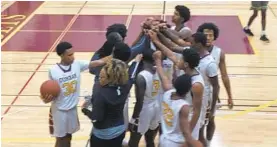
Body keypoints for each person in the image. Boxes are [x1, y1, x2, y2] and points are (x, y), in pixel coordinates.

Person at [43, 41, 111, 147]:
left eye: (73, 54)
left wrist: (116, 54)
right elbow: (50, 91)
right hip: (59, 110)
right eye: (69, 55)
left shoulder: (77, 65)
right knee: (61, 139)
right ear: (61, 55)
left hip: (72, 109)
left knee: (68, 137)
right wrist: (46, 99)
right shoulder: (53, 70)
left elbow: (98, 62)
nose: (73, 57)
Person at [149, 30, 204, 140]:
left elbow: (197, 112)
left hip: (188, 123)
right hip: (179, 116)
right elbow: (170, 54)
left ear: (186, 64)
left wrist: (188, 134)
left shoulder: (196, 85)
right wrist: (155, 40)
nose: (178, 59)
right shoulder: (186, 69)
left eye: (181, 59)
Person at [81, 57, 142, 147]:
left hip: (102, 136)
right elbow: (131, 75)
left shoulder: (99, 92)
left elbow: (96, 118)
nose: (99, 79)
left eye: (102, 77)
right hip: (120, 131)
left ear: (112, 78)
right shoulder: (125, 86)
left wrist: (85, 110)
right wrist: (136, 61)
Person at [153, 51, 202, 147]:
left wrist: (158, 61)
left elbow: (163, 77)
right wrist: (196, 144)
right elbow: (186, 133)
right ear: (188, 91)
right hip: (176, 142)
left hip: (164, 138)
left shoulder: (167, 93)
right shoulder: (183, 106)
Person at [190, 33, 219, 147]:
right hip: (193, 97)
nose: (190, 45)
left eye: (192, 43)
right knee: (193, 131)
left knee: (199, 132)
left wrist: (212, 110)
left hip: (202, 100)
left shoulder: (210, 63)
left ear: (198, 44)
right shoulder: (195, 55)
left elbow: (216, 86)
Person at [197, 22, 234, 109]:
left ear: (215, 37)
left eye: (211, 35)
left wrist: (229, 96)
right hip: (195, 90)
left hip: (210, 91)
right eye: (206, 35)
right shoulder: (194, 50)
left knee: (210, 120)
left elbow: (224, 76)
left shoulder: (219, 53)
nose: (208, 38)